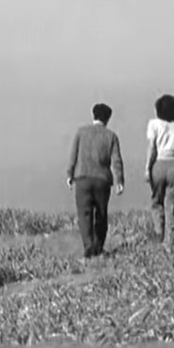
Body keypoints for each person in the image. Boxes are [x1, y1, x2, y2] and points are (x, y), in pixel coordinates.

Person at [66, 103, 125, 258]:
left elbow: (73, 155)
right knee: (101, 214)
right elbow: (116, 160)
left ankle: (88, 246)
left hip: (82, 178)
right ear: (108, 118)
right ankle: (98, 248)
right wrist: (119, 181)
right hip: (102, 180)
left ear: (93, 115)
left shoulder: (81, 132)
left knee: (84, 214)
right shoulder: (111, 136)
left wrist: (69, 174)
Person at [145, 94, 174, 250]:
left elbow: (152, 148)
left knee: (157, 200)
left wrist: (147, 168)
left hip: (158, 163)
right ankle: (170, 239)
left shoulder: (154, 124)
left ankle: (159, 231)